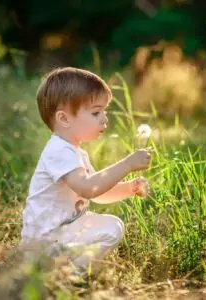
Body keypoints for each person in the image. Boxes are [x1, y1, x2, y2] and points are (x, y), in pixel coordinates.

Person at [19, 67, 151, 277]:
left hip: (61, 233)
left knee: (112, 226)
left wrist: (128, 188)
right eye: (95, 112)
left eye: (104, 112)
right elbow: (88, 188)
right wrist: (126, 164)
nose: (104, 119)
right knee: (112, 228)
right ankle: (68, 276)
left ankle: (64, 271)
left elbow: (97, 191)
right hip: (46, 239)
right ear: (64, 119)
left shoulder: (74, 152)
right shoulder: (59, 151)